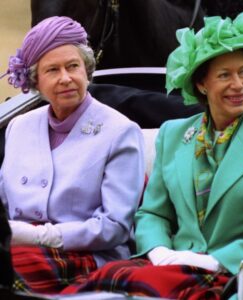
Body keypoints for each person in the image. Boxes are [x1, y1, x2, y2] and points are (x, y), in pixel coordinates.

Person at [63, 9, 243, 299]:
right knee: (95, 288)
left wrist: (213, 261)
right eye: (224, 75)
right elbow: (153, 212)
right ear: (202, 85)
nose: (238, 85)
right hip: (166, 266)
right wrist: (158, 250)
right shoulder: (172, 134)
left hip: (235, 274)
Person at [0, 16, 145, 294]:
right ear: (36, 81)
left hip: (88, 255)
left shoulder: (120, 131)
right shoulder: (19, 126)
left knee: (12, 266)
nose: (66, 78)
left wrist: (40, 236)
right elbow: (4, 203)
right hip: (21, 247)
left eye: (73, 66)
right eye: (52, 70)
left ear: (87, 71)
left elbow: (115, 226)